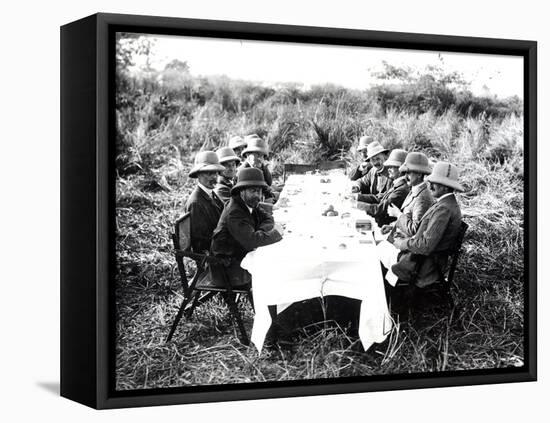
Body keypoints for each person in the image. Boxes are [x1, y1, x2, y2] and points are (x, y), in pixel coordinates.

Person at [387, 161, 464, 291]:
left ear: (446, 187)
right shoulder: (445, 203)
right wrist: (405, 236)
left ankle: (391, 300)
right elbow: (425, 232)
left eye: (435, 182)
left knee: (381, 256)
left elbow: (426, 246)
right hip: (423, 259)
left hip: (423, 266)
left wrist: (403, 243)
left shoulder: (444, 209)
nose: (430, 184)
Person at [211, 167, 284, 287]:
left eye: (260, 191)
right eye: (253, 191)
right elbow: (252, 242)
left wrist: (260, 232)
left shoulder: (248, 202)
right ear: (241, 191)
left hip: (238, 255)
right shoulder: (234, 212)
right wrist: (276, 233)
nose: (258, 196)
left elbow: (268, 218)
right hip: (227, 267)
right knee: (274, 267)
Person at [381, 152, 434, 238]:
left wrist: (398, 214)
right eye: (405, 172)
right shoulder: (414, 189)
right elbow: (408, 219)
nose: (405, 176)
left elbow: (415, 230)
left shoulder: (423, 197)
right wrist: (392, 226)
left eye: (409, 172)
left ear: (419, 174)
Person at [354, 149, 409, 226]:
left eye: (392, 167)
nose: (388, 169)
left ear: (401, 169)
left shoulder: (402, 189)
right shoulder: (397, 184)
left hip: (387, 226)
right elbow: (379, 199)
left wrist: (356, 205)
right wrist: (356, 197)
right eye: (388, 166)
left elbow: (381, 209)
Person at [185, 151, 226, 253]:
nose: (214, 177)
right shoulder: (196, 203)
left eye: (216, 172)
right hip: (214, 257)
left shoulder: (211, 194)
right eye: (209, 173)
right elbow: (201, 243)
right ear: (199, 175)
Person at [238, 134, 276, 201]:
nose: (259, 158)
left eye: (262, 156)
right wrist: (265, 201)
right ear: (248, 155)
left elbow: (269, 182)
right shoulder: (243, 171)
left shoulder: (257, 167)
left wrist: (263, 166)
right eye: (256, 154)